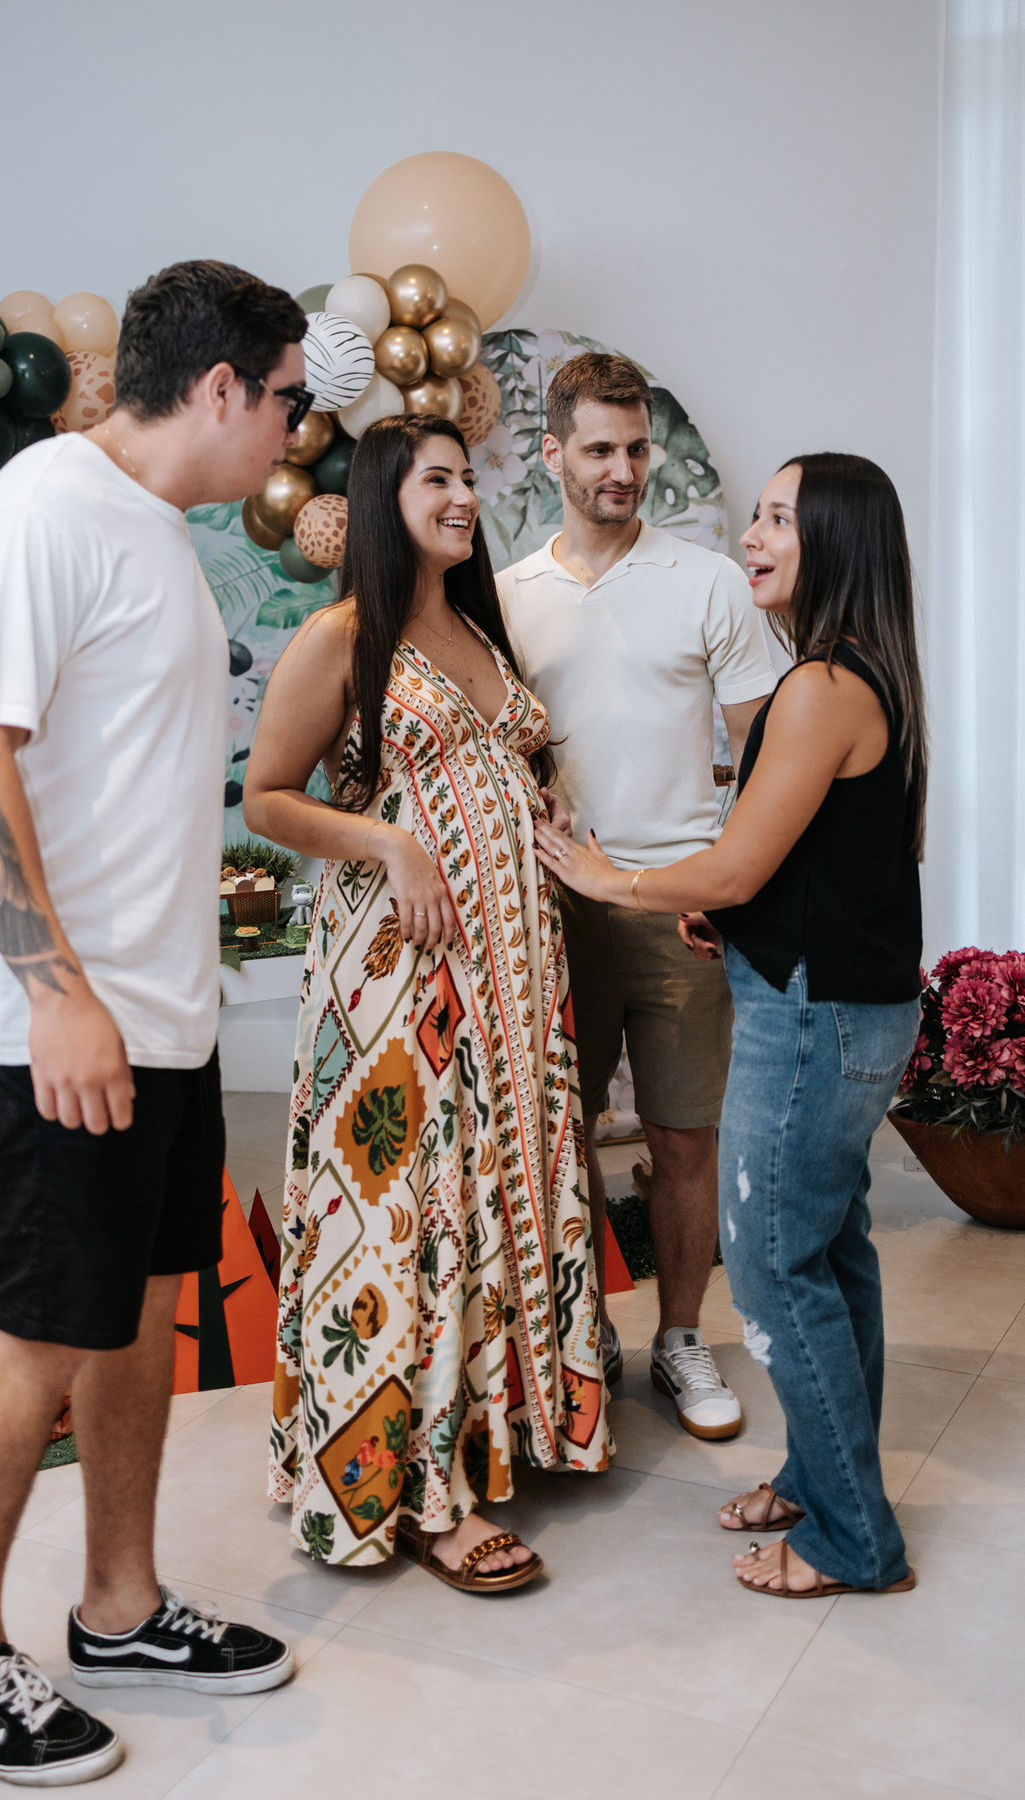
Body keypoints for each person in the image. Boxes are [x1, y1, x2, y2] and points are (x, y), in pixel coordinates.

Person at [0, 261, 311, 1784]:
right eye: (284, 402)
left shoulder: (154, 530)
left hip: (156, 1016)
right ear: (218, 388)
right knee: (41, 1332)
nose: (292, 432)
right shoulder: (37, 515)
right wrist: (57, 992)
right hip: (49, 1020)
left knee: (142, 1306)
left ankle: (122, 1605)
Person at [534, 452, 925, 1597]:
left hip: (815, 1024)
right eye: (757, 516)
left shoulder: (818, 687)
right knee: (830, 1255)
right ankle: (821, 1481)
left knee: (774, 1270)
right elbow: (826, 860)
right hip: (849, 1007)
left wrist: (612, 880)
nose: (752, 537)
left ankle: (850, 1542)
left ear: (836, 542)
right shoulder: (863, 672)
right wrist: (733, 917)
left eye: (779, 521)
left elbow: (744, 861)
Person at [245, 413, 611, 1592]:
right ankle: (412, 1490)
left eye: (466, 477)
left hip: (518, 971)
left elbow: (505, 762)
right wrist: (389, 844)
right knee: (412, 1202)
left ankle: (505, 1427)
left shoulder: (476, 625)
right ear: (382, 498)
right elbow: (267, 797)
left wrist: (551, 811)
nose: (462, 496)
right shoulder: (342, 634)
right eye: (434, 480)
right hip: (401, 973)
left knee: (499, 1180)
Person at [497, 351, 774, 1436]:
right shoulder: (508, 596)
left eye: (637, 448)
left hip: (677, 904)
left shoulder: (707, 581)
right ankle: (581, 1339)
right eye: (601, 448)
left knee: (684, 1139)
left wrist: (725, 882)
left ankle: (681, 1339)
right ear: (553, 453)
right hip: (553, 910)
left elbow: (765, 753)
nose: (623, 469)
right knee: (557, 1137)